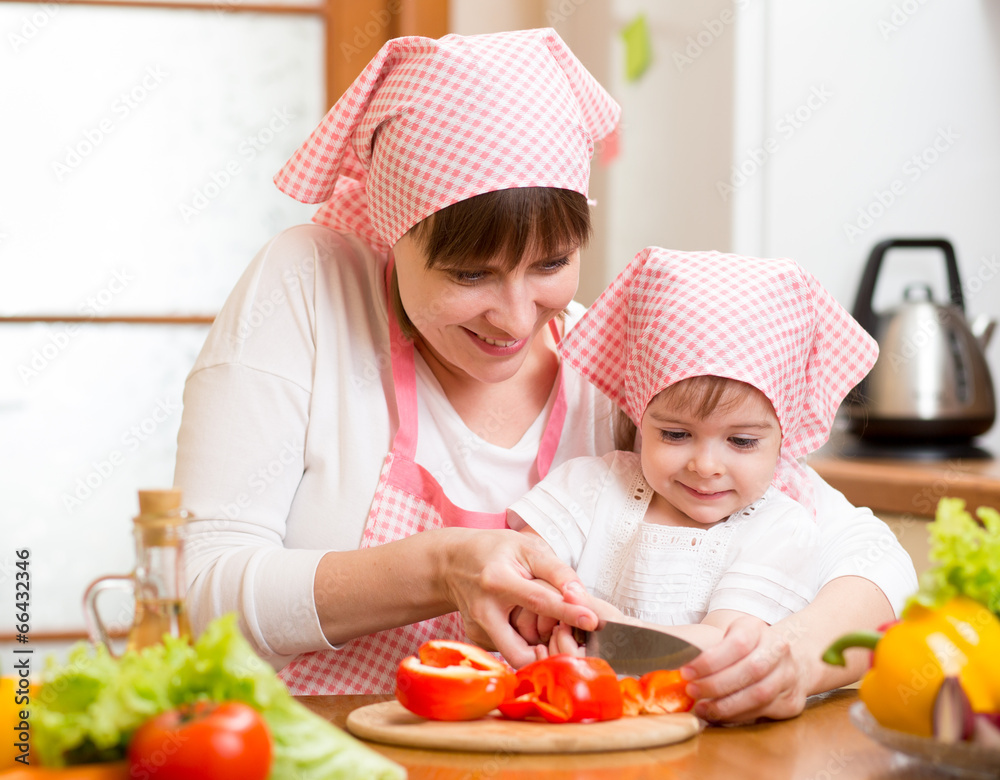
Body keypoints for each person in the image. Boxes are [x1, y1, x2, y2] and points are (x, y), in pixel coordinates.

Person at [173, 27, 917, 721]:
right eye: (470, 273)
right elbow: (199, 589)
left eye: (551, 264)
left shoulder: (615, 365)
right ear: (396, 237)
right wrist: (441, 568)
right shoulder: (312, 287)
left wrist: (796, 659)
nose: (517, 316)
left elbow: (873, 557)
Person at [508, 247, 879, 659]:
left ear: (783, 437)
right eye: (675, 434)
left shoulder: (780, 531)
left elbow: (725, 644)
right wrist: (540, 600)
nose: (704, 466)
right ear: (639, 414)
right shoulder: (594, 485)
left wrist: (606, 629)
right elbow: (524, 560)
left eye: (741, 442)